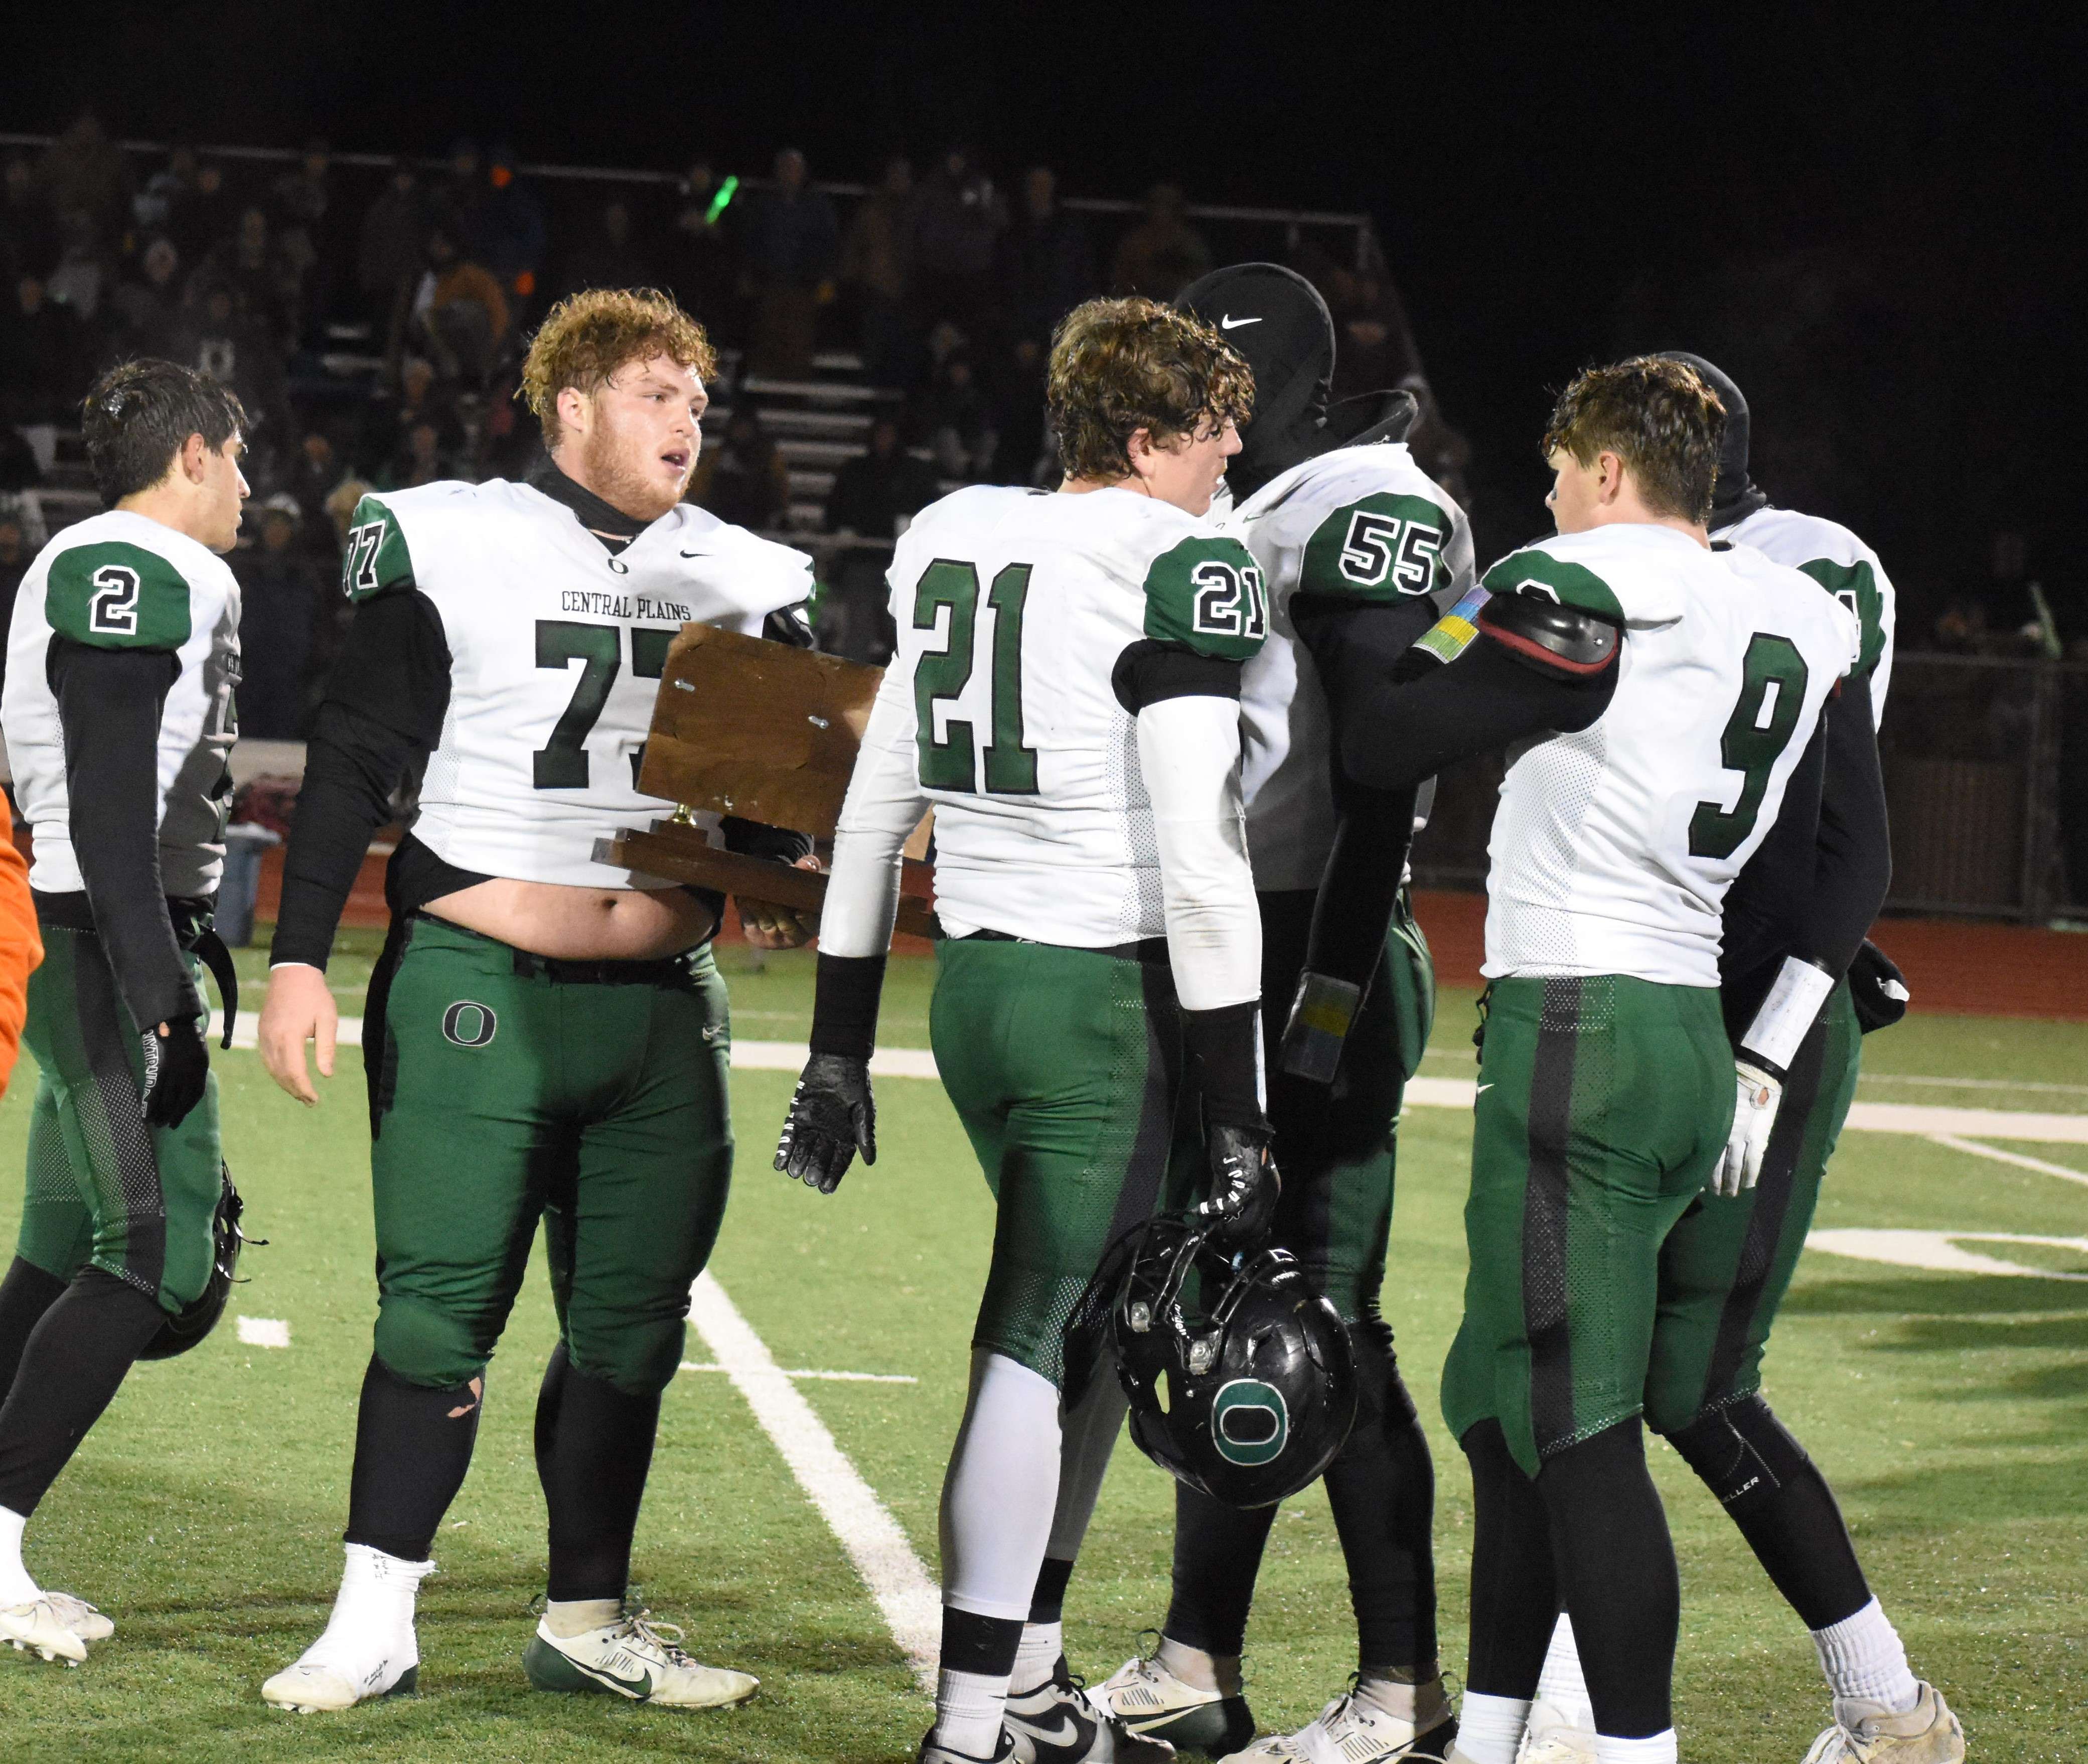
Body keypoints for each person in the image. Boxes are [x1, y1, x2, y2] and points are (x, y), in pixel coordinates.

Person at [1291, 358, 1863, 1764]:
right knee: (1502, 1404)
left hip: (1581, 1021)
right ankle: (1489, 1734)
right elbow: (1850, 843)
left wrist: (1416, 618)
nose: (1542, 494)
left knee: (1578, 1423)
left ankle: (1628, 1751)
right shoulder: (1802, 606)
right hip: (1691, 1030)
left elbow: (1385, 735)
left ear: (1609, 467)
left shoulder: (1575, 569)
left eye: (1557, 468)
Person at [255, 286, 818, 1714]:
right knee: (438, 1311)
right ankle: (373, 1615)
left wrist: (812, 826)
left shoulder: (744, 571)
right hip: (477, 983)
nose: (688, 418)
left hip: (660, 1002)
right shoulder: (449, 532)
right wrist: (303, 956)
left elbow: (766, 831)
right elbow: (356, 751)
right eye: (654, 392)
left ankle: (586, 1614)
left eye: (699, 396)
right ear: (568, 403)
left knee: (631, 1324)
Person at [775, 296, 1270, 1764]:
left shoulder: (953, 532)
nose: (1234, 444)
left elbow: (878, 802)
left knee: (1099, 1332)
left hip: (979, 985)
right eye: (1210, 421)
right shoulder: (1183, 557)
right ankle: (977, 1721)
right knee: (1037, 1334)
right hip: (1094, 997)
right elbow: (1198, 853)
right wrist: (1237, 1114)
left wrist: (841, 1038)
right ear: (1140, 438)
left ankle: (1031, 1678)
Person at [1519, 358, 1961, 1764]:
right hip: (1690, 992)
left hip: (1741, 998)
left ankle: (1878, 1702)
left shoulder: (1744, 577)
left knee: (1673, 1379)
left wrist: (1769, 1037)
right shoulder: (1776, 570)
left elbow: (1843, 840)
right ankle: (1576, 1704)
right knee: (1587, 1364)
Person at [1093, 264, 1473, 1762]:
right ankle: (1198, 1660)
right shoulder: (1268, 505)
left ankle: (1398, 1688)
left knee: (1326, 1317)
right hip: (1266, 944)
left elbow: (1377, 752)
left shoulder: (1357, 498)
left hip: (1316, 940)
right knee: (1236, 1308)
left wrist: (1314, 995)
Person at [0, 358, 248, 1665]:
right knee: (154, 1252)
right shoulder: (142, 564)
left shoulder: (95, 559)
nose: (251, 489)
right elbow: (106, 798)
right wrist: (163, 997)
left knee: (58, 1251)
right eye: (240, 459)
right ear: (194, 455)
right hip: (95, 937)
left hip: (80, 933)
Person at [740, 148, 837, 381]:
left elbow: (828, 244)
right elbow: (750, 241)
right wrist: (750, 274)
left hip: (804, 285)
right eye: (785, 168)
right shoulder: (763, 203)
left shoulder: (817, 205)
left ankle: (794, 392)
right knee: (767, 336)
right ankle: (764, 390)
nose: (789, 174)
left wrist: (825, 278)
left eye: (795, 168)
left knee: (799, 340)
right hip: (770, 282)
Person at [1110, 184, 1212, 301]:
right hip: (1139, 306)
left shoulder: (1190, 242)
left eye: (1168, 204)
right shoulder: (1135, 242)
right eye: (1157, 203)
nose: (1162, 210)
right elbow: (1120, 281)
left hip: (1179, 306)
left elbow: (1203, 279)